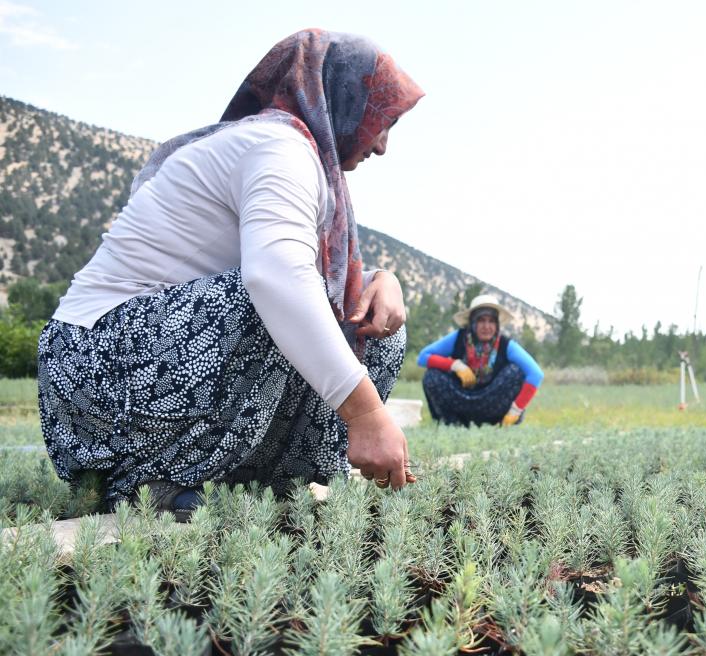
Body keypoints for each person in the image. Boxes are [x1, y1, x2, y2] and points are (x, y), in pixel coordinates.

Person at [38, 29, 425, 518]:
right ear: (343, 101)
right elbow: (277, 278)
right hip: (92, 370)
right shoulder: (280, 147)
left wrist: (382, 279)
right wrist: (365, 413)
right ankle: (145, 479)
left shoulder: (299, 155)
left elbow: (312, 282)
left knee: (372, 320)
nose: (383, 145)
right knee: (273, 301)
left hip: (145, 359)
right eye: (381, 120)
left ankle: (273, 478)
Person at [417, 295, 543, 426]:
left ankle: (503, 423)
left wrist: (516, 410)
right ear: (472, 322)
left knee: (516, 372)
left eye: (491, 321)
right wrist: (455, 365)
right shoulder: (459, 338)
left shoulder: (506, 345)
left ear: (497, 325)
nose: (486, 326)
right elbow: (422, 357)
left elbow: (536, 374)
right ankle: (452, 423)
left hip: (493, 406)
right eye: (481, 320)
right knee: (432, 375)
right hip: (461, 401)